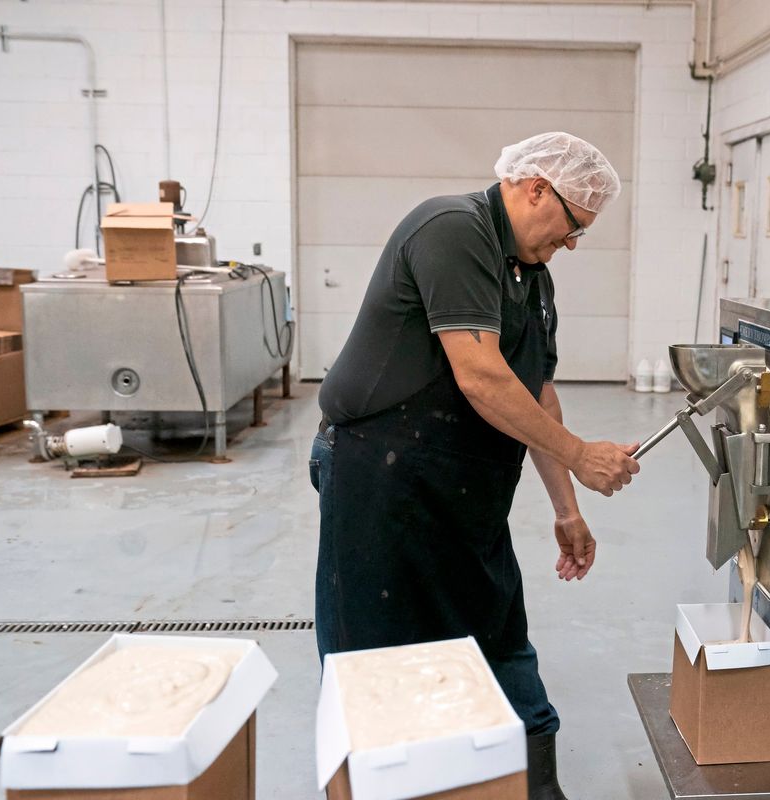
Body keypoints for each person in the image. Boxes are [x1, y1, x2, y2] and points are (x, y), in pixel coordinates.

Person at [309, 132, 639, 799]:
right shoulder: (453, 231)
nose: (570, 244)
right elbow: (481, 375)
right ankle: (378, 781)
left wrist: (567, 506)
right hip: (383, 477)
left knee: (495, 634)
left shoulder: (532, 278)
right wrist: (580, 455)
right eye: (572, 226)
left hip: (467, 488)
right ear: (535, 188)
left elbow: (536, 391)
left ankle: (530, 787)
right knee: (377, 651)